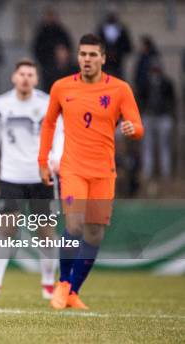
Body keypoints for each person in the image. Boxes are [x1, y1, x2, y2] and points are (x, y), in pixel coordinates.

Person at [38, 34, 144, 310]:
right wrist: (43, 160)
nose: (87, 59)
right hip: (72, 169)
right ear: (78, 57)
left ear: (103, 58)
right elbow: (48, 124)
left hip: (103, 172)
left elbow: (137, 125)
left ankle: (73, 290)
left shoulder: (120, 89)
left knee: (95, 234)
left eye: (92, 55)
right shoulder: (61, 87)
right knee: (73, 226)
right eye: (83, 54)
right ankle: (63, 284)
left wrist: (133, 130)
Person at [0, 59, 63, 300]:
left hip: (41, 176)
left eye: (30, 74)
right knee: (6, 227)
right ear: (14, 77)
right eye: (21, 74)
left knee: (45, 230)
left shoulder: (47, 103)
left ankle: (48, 282)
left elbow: (60, 132)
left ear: (36, 79)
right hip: (11, 176)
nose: (25, 78)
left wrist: (55, 157)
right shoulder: (1, 105)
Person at [138, 57, 176, 188]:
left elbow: (172, 101)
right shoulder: (145, 83)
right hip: (149, 116)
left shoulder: (167, 83)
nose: (155, 72)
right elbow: (140, 100)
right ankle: (147, 173)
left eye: (157, 69)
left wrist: (170, 115)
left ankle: (166, 173)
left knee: (164, 146)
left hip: (163, 116)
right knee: (147, 146)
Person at [32, 8, 72, 92]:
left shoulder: (61, 31)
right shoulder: (42, 32)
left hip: (61, 68)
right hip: (47, 66)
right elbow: (36, 48)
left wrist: (64, 59)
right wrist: (43, 61)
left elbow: (68, 46)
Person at [96, 11, 132, 78]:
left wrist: (118, 52)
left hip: (118, 61)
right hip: (105, 61)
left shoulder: (122, 30)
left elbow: (127, 46)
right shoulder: (101, 30)